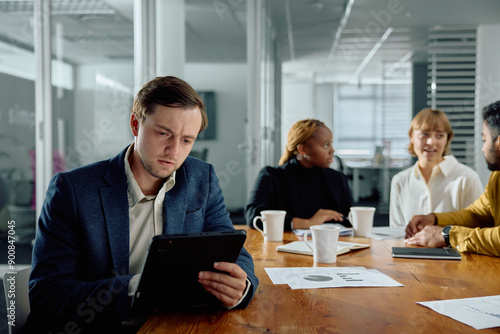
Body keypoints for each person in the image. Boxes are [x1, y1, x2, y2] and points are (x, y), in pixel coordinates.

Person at [24, 76, 259, 333]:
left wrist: (240, 289)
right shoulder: (73, 190)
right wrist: (140, 286)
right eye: (163, 133)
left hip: (172, 325)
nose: (174, 151)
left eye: (186, 140)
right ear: (136, 125)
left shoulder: (201, 178)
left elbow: (237, 255)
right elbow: (47, 293)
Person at [405, 100, 500, 257]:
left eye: (484, 140)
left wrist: (448, 235)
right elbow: (477, 215)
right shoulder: (497, 176)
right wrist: (434, 219)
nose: (483, 148)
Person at [245, 119, 352, 231]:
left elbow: (349, 218)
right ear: (302, 149)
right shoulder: (271, 176)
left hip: (332, 245)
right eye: (326, 145)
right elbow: (253, 215)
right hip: (283, 245)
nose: (332, 150)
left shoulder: (338, 179)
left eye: (331, 143)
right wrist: (308, 223)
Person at [390, 108, 483, 227]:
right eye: (424, 134)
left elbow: (477, 227)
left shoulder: (467, 178)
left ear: (447, 139)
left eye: (439, 135)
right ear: (411, 136)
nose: (431, 142)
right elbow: (396, 233)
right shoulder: (400, 181)